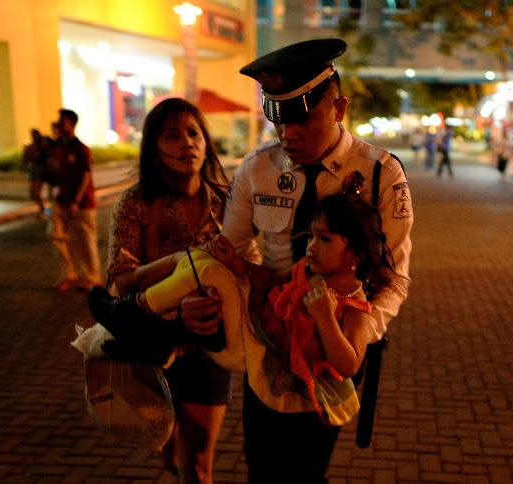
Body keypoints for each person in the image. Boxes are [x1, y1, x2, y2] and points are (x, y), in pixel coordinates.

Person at [178, 37, 412, 483]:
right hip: (267, 343)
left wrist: (353, 337)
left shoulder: (381, 173)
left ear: (339, 107)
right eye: (279, 121)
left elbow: (395, 279)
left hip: (332, 348)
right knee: (262, 467)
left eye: (304, 119)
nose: (290, 135)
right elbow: (235, 250)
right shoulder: (256, 169)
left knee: (306, 469)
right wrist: (231, 307)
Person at [90, 191, 395, 482]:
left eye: (324, 238)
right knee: (200, 259)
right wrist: (238, 265)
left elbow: (349, 366)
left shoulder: (354, 307)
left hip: (263, 357)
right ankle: (143, 324)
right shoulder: (311, 271)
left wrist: (326, 319)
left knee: (206, 271)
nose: (312, 245)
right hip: (258, 331)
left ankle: (134, 316)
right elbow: (274, 280)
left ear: (354, 253)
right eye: (312, 236)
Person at [102, 97, 232, 484]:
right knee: (171, 455)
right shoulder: (135, 204)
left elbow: (248, 264)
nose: (187, 143)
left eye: (194, 133)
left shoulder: (226, 203)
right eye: (173, 136)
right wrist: (183, 263)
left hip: (210, 348)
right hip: (152, 349)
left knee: (198, 465)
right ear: (155, 150)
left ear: (206, 143)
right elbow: (121, 280)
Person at [50, 109, 102, 294]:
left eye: (63, 122)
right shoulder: (59, 148)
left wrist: (76, 201)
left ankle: (92, 279)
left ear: (71, 125)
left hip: (83, 203)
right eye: (59, 122)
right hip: (62, 200)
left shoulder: (81, 149)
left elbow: (86, 176)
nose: (59, 124)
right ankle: (69, 274)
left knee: (85, 241)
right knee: (57, 235)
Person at [22, 128, 50, 215]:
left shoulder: (42, 146)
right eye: (32, 135)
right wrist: (26, 152)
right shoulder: (30, 146)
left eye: (34, 135)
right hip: (33, 171)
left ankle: (46, 211)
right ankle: (44, 209)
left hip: (40, 172)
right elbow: (25, 160)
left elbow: (43, 158)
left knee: (37, 193)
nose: (33, 137)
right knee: (33, 194)